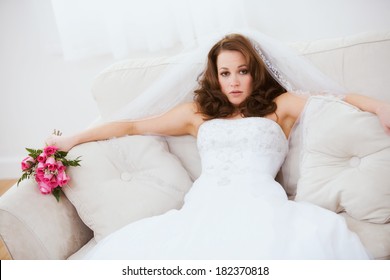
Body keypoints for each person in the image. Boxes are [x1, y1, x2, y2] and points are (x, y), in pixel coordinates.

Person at [47, 33, 390, 259]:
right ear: (215, 76)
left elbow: (335, 99)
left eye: (242, 71)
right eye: (225, 73)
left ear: (255, 72)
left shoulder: (279, 107)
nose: (234, 81)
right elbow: (132, 124)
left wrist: (379, 106)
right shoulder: (197, 114)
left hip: (262, 205)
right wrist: (72, 139)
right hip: (205, 207)